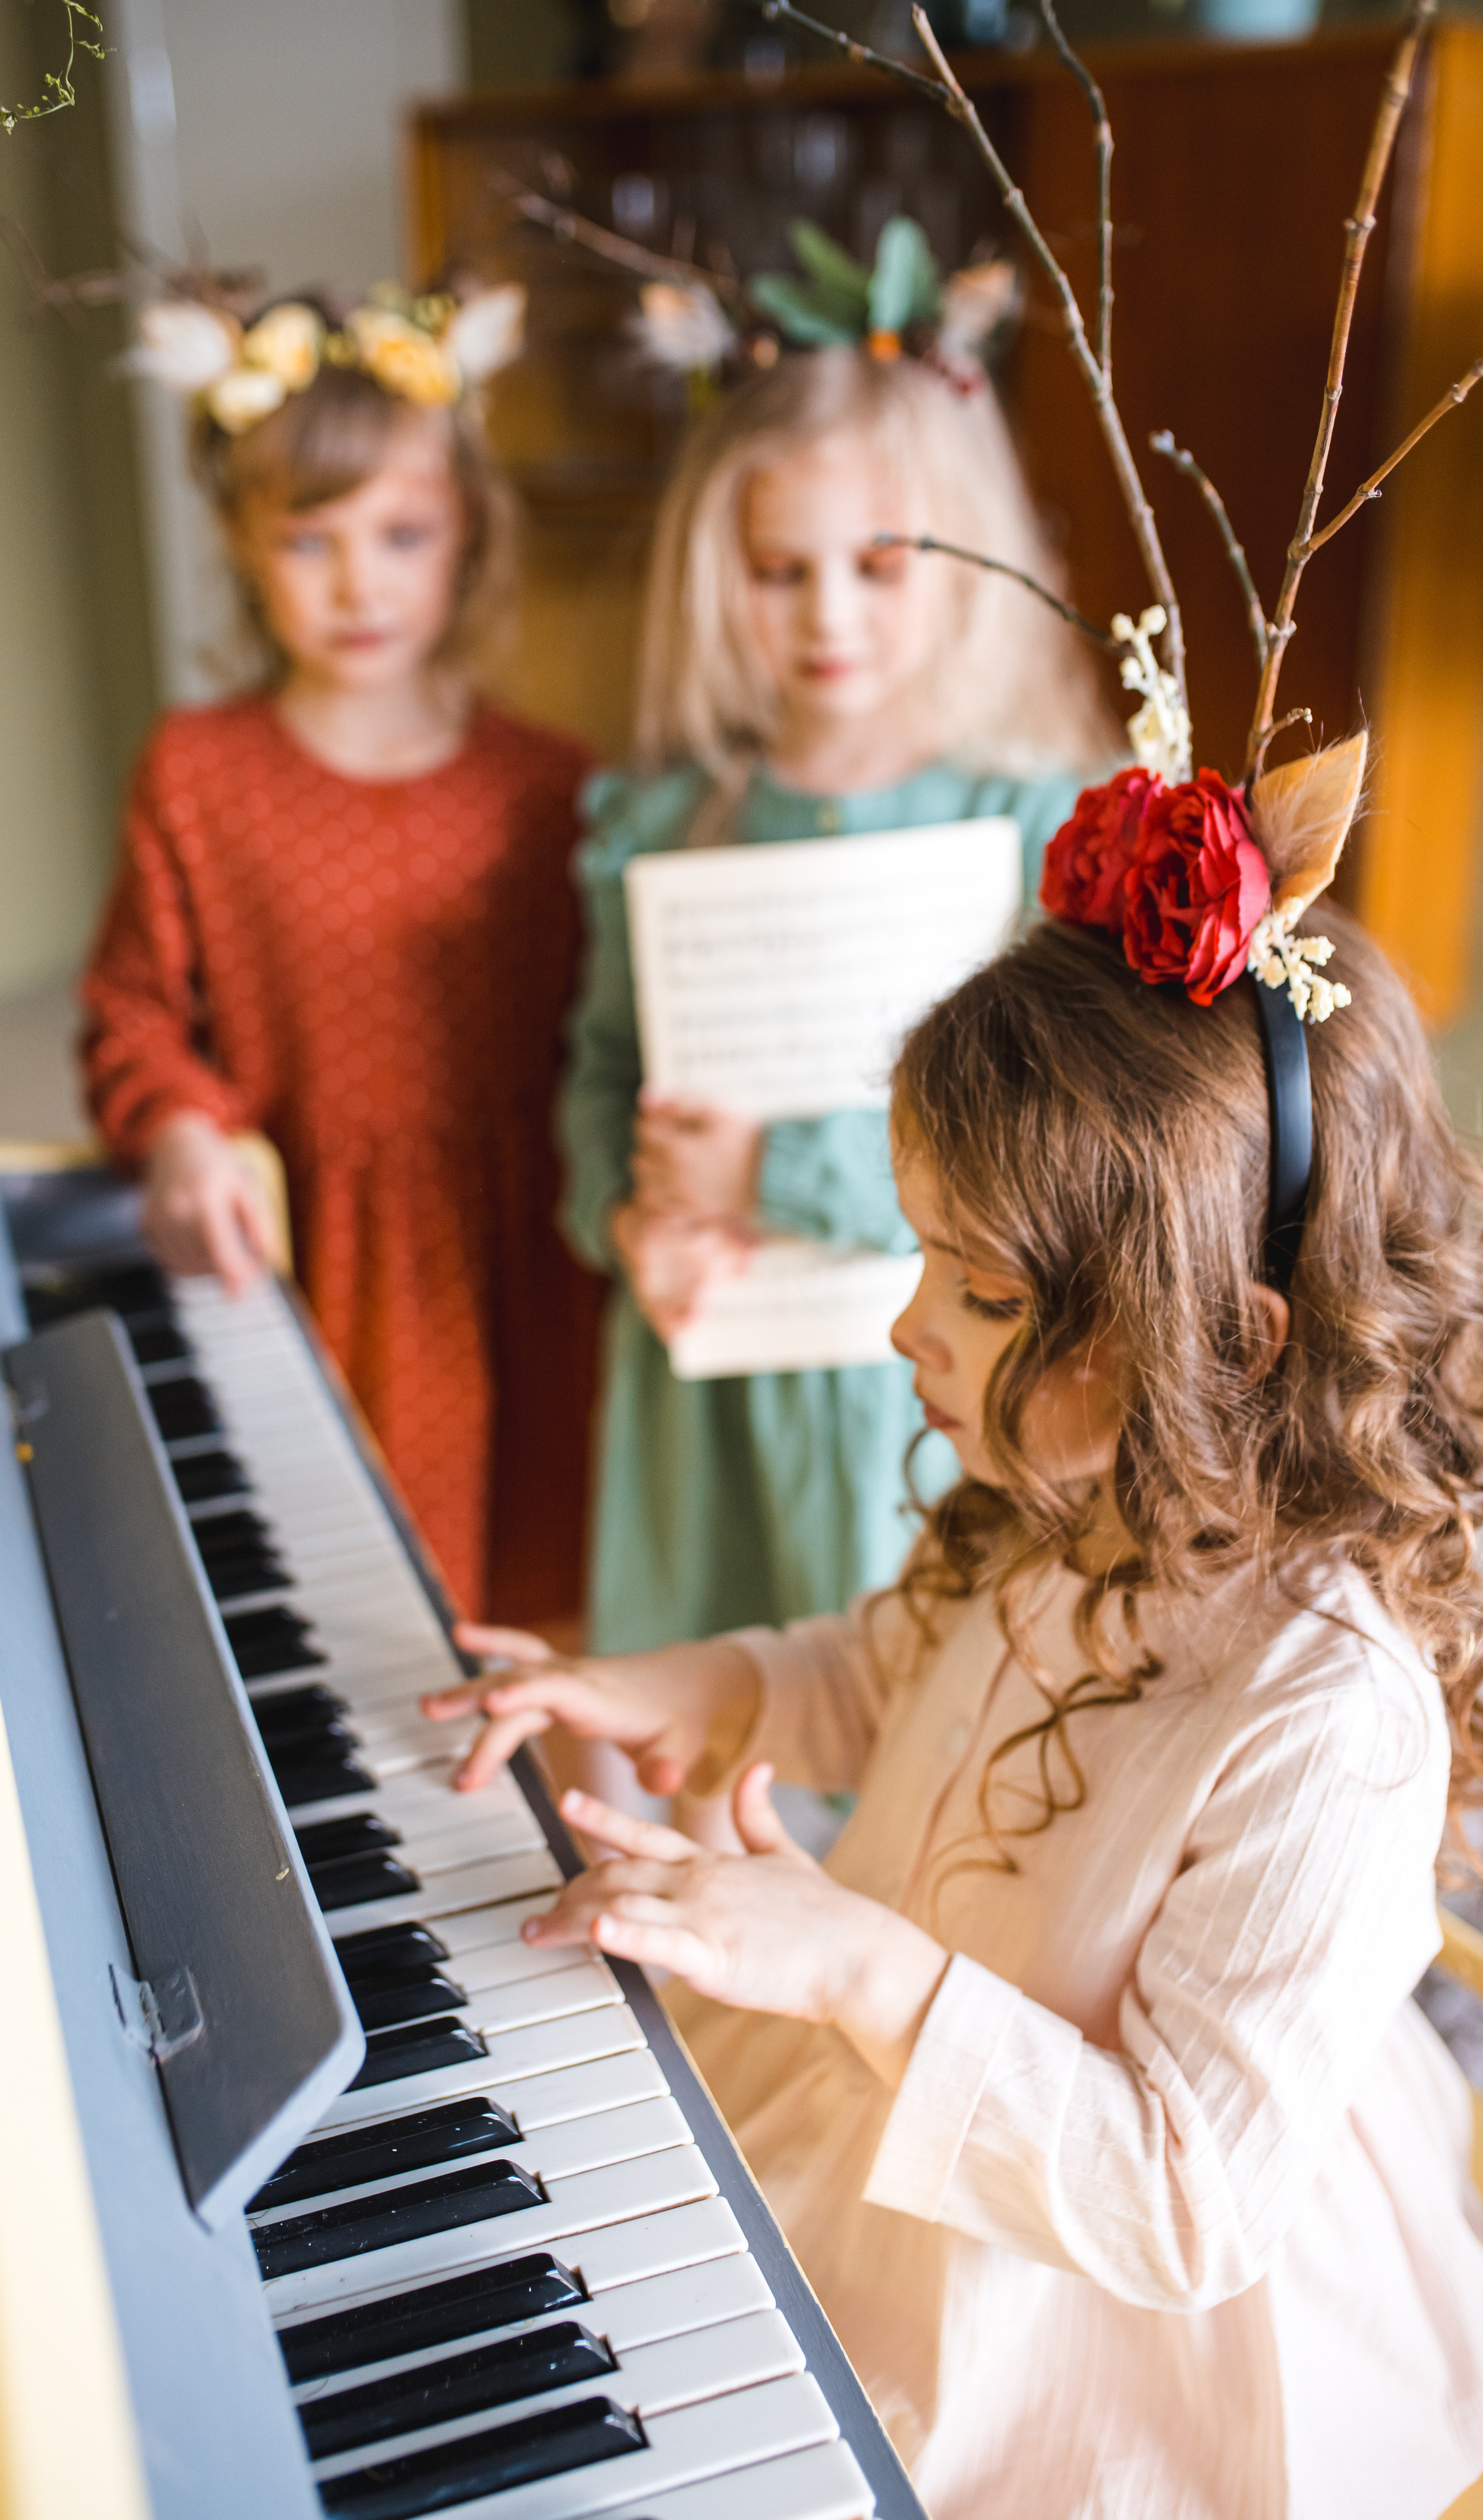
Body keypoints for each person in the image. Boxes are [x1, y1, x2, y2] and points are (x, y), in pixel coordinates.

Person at [427, 876, 1483, 2515]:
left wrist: (861, 1965)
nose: (907, 1326)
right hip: (901, 2069)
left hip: (1095, 2274)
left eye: (980, 1296)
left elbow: (1179, 2207)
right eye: (927, 1260)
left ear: (1225, 1340)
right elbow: (893, 1670)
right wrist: (702, 1686)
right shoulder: (1085, 1479)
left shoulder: (1328, 1714)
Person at [560, 340, 1119, 1652]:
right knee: (702, 1722)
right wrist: (627, 1217)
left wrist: (776, 1171)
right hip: (705, 1394)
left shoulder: (1038, 821)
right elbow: (595, 1073)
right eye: (777, 572)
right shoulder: (660, 821)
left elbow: (1069, 1145)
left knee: (917, 1726)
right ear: (717, 577)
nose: (828, 617)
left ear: (967, 559)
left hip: (938, 1381)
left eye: (878, 567)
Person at [80, 287, 599, 1623]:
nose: (359, 583)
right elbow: (131, 1015)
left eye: (400, 535)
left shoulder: (554, 788)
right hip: (312, 1263)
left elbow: (612, 1043)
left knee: (552, 1612)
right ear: (244, 549)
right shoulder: (198, 774)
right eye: (310, 542)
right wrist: (184, 1132)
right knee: (354, 1616)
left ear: (463, 533)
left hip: (531, 1272)